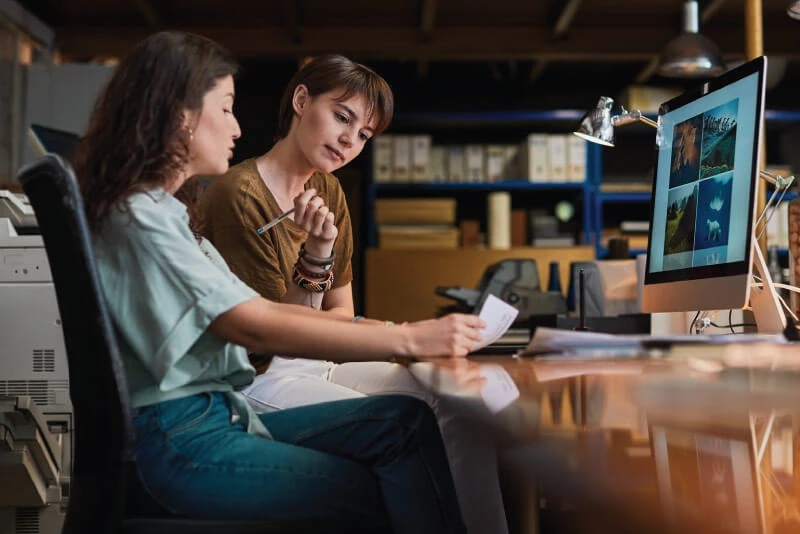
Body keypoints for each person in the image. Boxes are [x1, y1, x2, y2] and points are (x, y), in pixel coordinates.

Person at [73, 31, 487, 533]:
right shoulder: (142, 216)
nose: (236, 126)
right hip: (181, 438)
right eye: (225, 109)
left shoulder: (163, 212)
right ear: (180, 114)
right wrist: (406, 337)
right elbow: (255, 326)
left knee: (406, 422)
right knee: (367, 478)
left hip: (208, 418)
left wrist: (378, 316)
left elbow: (270, 313)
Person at [200, 55, 510, 534]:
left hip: (316, 356)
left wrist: (330, 264)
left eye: (364, 134)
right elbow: (269, 338)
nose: (350, 140)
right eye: (342, 117)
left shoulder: (328, 190)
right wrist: (320, 260)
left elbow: (341, 312)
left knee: (459, 403)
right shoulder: (240, 194)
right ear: (302, 100)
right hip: (254, 377)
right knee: (412, 419)